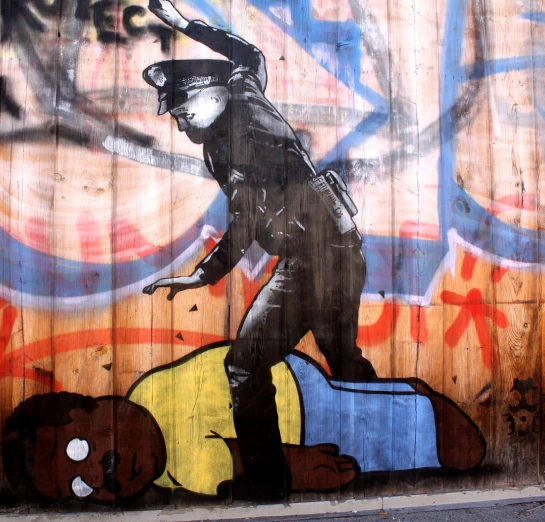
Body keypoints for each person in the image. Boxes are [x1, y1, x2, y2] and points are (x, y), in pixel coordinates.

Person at [140, 0, 379, 499]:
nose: (181, 123)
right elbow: (247, 54)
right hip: (338, 248)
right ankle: (388, 451)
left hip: (313, 258)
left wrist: (202, 276)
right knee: (343, 357)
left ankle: (267, 484)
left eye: (184, 110)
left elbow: (245, 219)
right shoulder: (238, 102)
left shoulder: (242, 129)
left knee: (244, 366)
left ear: (210, 94)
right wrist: (185, 24)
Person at [2, 343, 486, 504]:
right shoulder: (164, 452)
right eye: (83, 489)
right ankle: (406, 400)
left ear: (97, 404)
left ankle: (416, 404)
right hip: (296, 401)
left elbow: (253, 463)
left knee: (463, 452)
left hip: (299, 407)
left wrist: (295, 471)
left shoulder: (159, 421)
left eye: (80, 452)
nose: (101, 474)